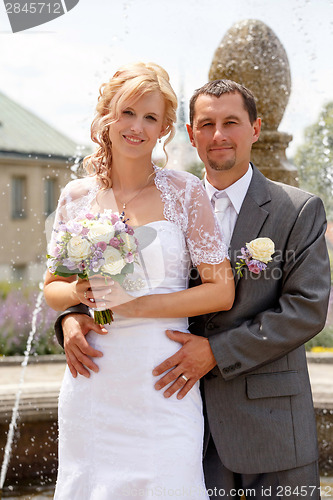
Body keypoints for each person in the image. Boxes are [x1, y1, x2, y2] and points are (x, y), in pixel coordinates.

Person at [55, 79, 331, 499]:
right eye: (206, 124)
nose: (218, 135)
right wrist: (73, 315)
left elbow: (306, 310)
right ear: (189, 133)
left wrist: (217, 351)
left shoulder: (297, 209)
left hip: (268, 421)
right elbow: (92, 281)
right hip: (177, 410)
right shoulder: (174, 195)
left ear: (255, 129)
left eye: (231, 123)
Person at [44, 63, 234, 499]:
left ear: (165, 128)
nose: (137, 127)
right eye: (128, 112)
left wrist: (136, 308)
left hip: (163, 379)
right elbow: (53, 286)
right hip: (93, 379)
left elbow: (222, 291)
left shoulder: (186, 193)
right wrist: (77, 297)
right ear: (107, 115)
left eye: (151, 117)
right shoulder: (76, 196)